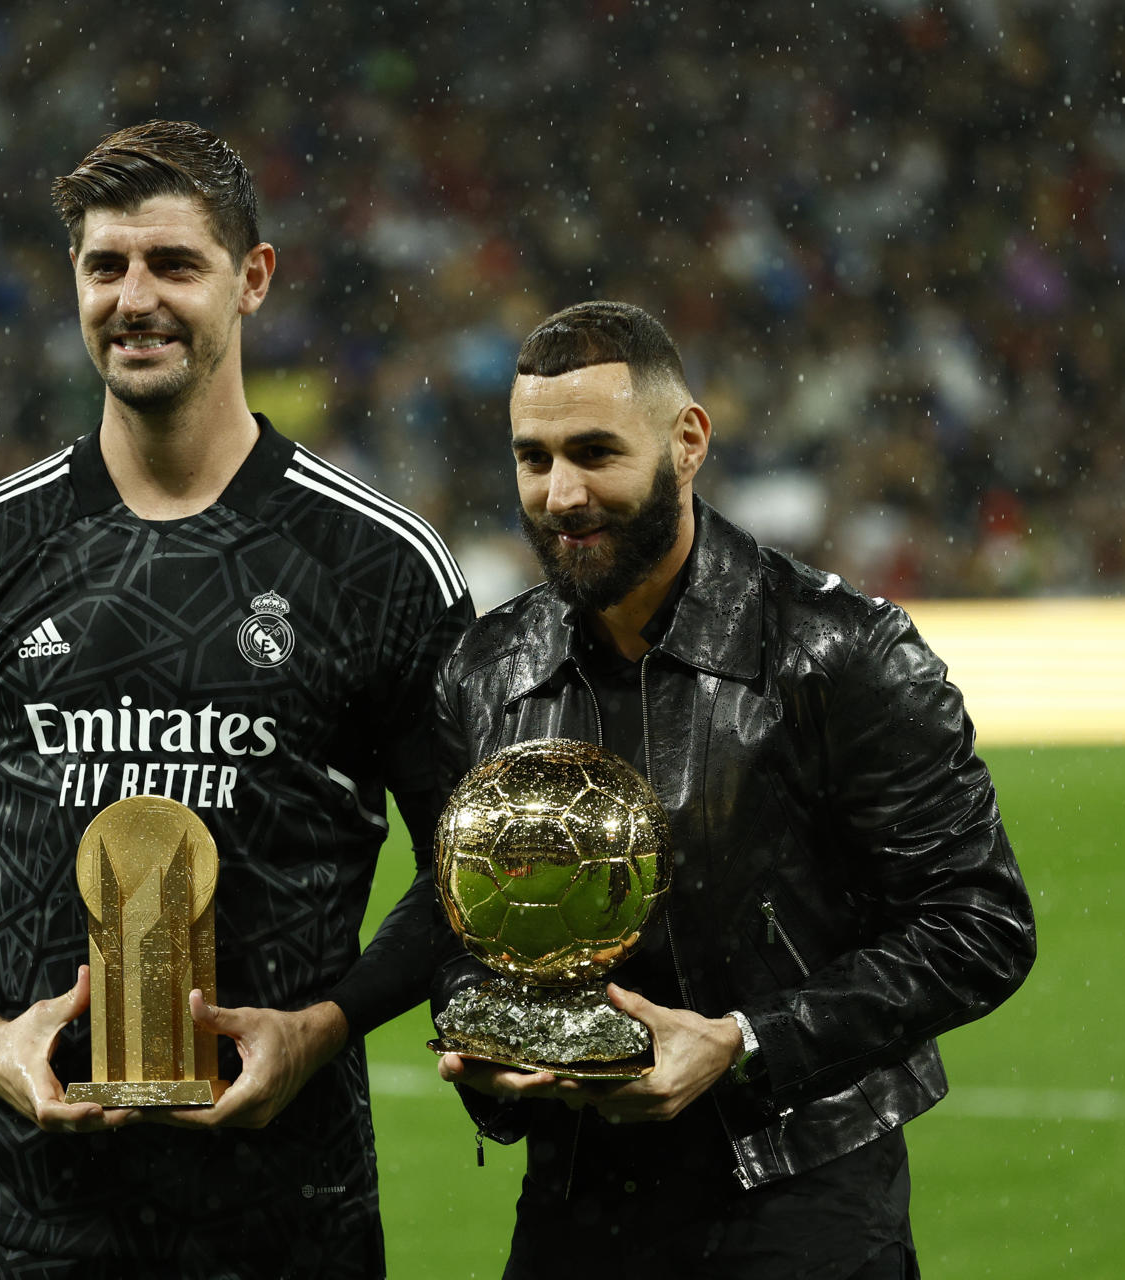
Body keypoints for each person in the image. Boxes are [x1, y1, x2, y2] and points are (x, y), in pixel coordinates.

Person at [0, 120, 472, 1279]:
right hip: (17, 1216)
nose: (136, 298)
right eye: (104, 265)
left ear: (252, 279)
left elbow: (469, 870)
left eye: (174, 264)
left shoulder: (377, 566)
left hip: (287, 1220)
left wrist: (322, 1029)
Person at [431, 301, 1037, 1278]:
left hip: (801, 1206)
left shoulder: (840, 651)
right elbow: (460, 925)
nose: (561, 492)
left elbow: (980, 923)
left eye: (594, 451)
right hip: (575, 1207)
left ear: (689, 440)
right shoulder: (488, 669)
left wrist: (745, 1041)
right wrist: (496, 1050)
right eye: (533, 457)